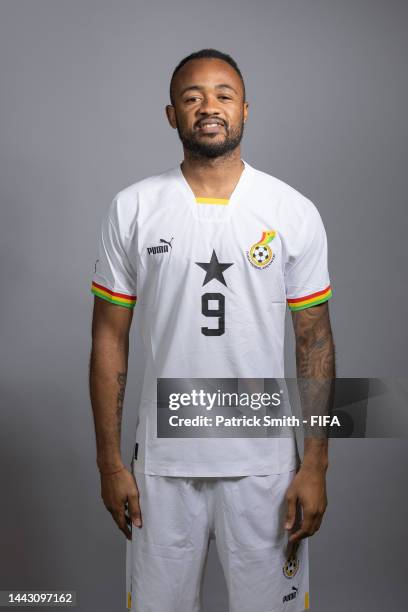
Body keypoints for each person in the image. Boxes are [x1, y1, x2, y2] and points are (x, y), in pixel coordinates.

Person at [89, 48, 335, 612]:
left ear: (245, 109)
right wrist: (110, 464)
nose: (209, 107)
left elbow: (314, 341)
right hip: (162, 469)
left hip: (266, 465)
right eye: (192, 96)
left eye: (223, 95)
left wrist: (316, 464)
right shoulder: (133, 208)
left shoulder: (291, 210)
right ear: (172, 114)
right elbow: (108, 340)